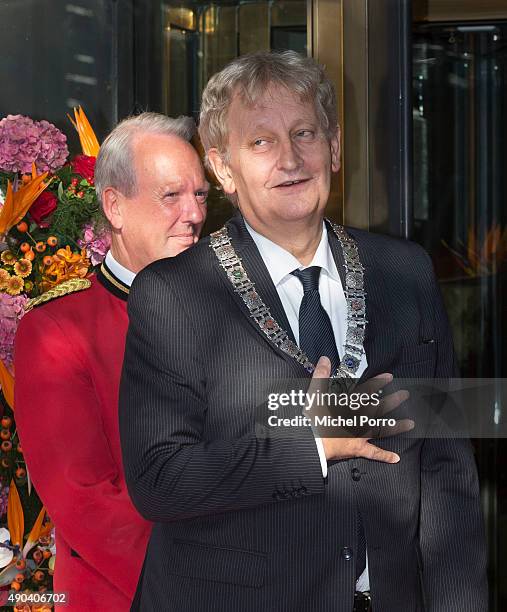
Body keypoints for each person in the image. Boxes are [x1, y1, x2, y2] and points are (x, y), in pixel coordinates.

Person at [119, 53, 487, 612]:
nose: (290, 158)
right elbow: (160, 480)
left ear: (335, 147)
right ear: (222, 168)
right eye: (261, 142)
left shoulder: (405, 272)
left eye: (304, 133)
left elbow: (447, 474)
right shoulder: (172, 295)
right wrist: (310, 445)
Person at [14, 112, 208, 611]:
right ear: (115, 207)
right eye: (171, 196)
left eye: (201, 195)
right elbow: (85, 499)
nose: (194, 214)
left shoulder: (232, 305)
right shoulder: (57, 328)